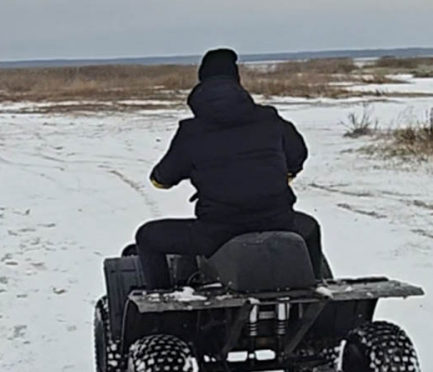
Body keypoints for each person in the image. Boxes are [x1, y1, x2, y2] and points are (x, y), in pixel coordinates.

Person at [135, 48, 324, 290]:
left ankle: (161, 300)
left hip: (218, 231)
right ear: (237, 82)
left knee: (147, 237)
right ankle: (314, 289)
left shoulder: (191, 132)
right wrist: (286, 174)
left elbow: (162, 179)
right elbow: (298, 154)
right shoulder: (269, 119)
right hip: (279, 222)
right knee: (310, 228)